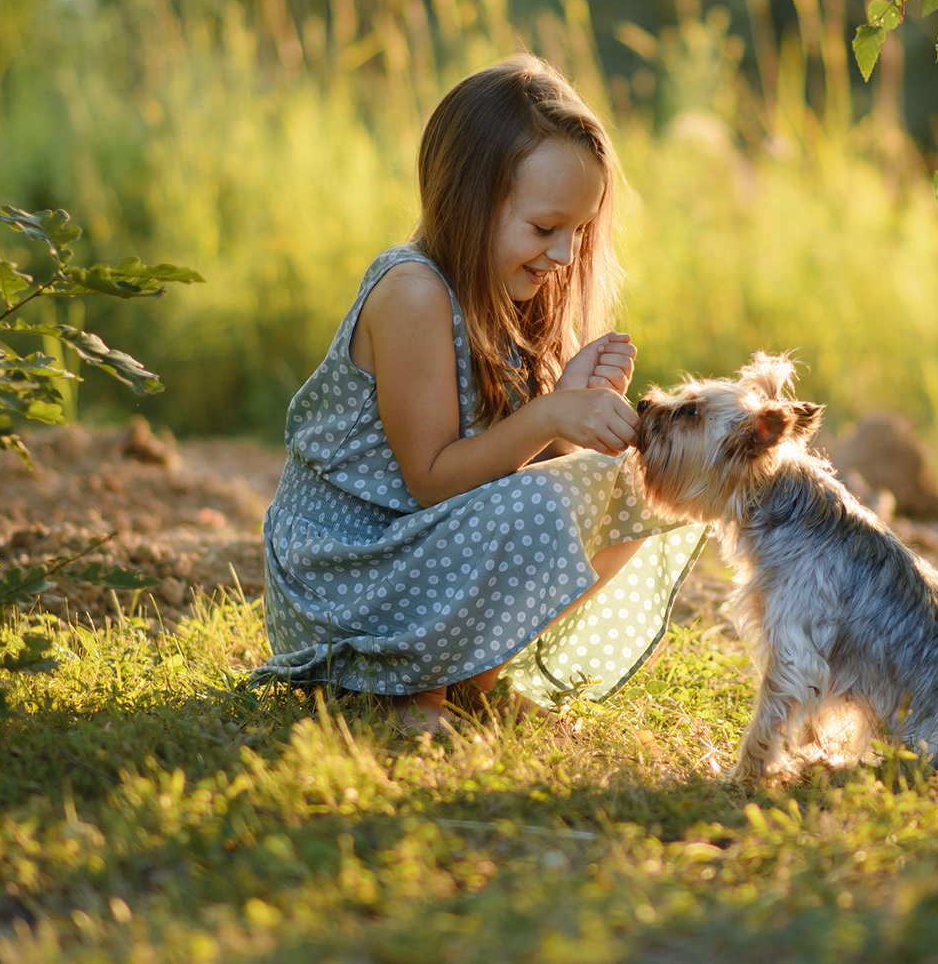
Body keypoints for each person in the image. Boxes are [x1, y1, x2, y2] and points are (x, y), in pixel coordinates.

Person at [250, 55, 705, 731]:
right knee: (546, 505)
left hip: (419, 556)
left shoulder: (514, 292)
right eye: (545, 227)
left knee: (631, 479)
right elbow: (435, 480)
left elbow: (508, 471)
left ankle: (469, 677)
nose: (563, 253)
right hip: (347, 573)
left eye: (577, 232)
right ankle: (408, 692)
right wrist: (548, 412)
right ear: (470, 203)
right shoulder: (412, 291)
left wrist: (563, 413)